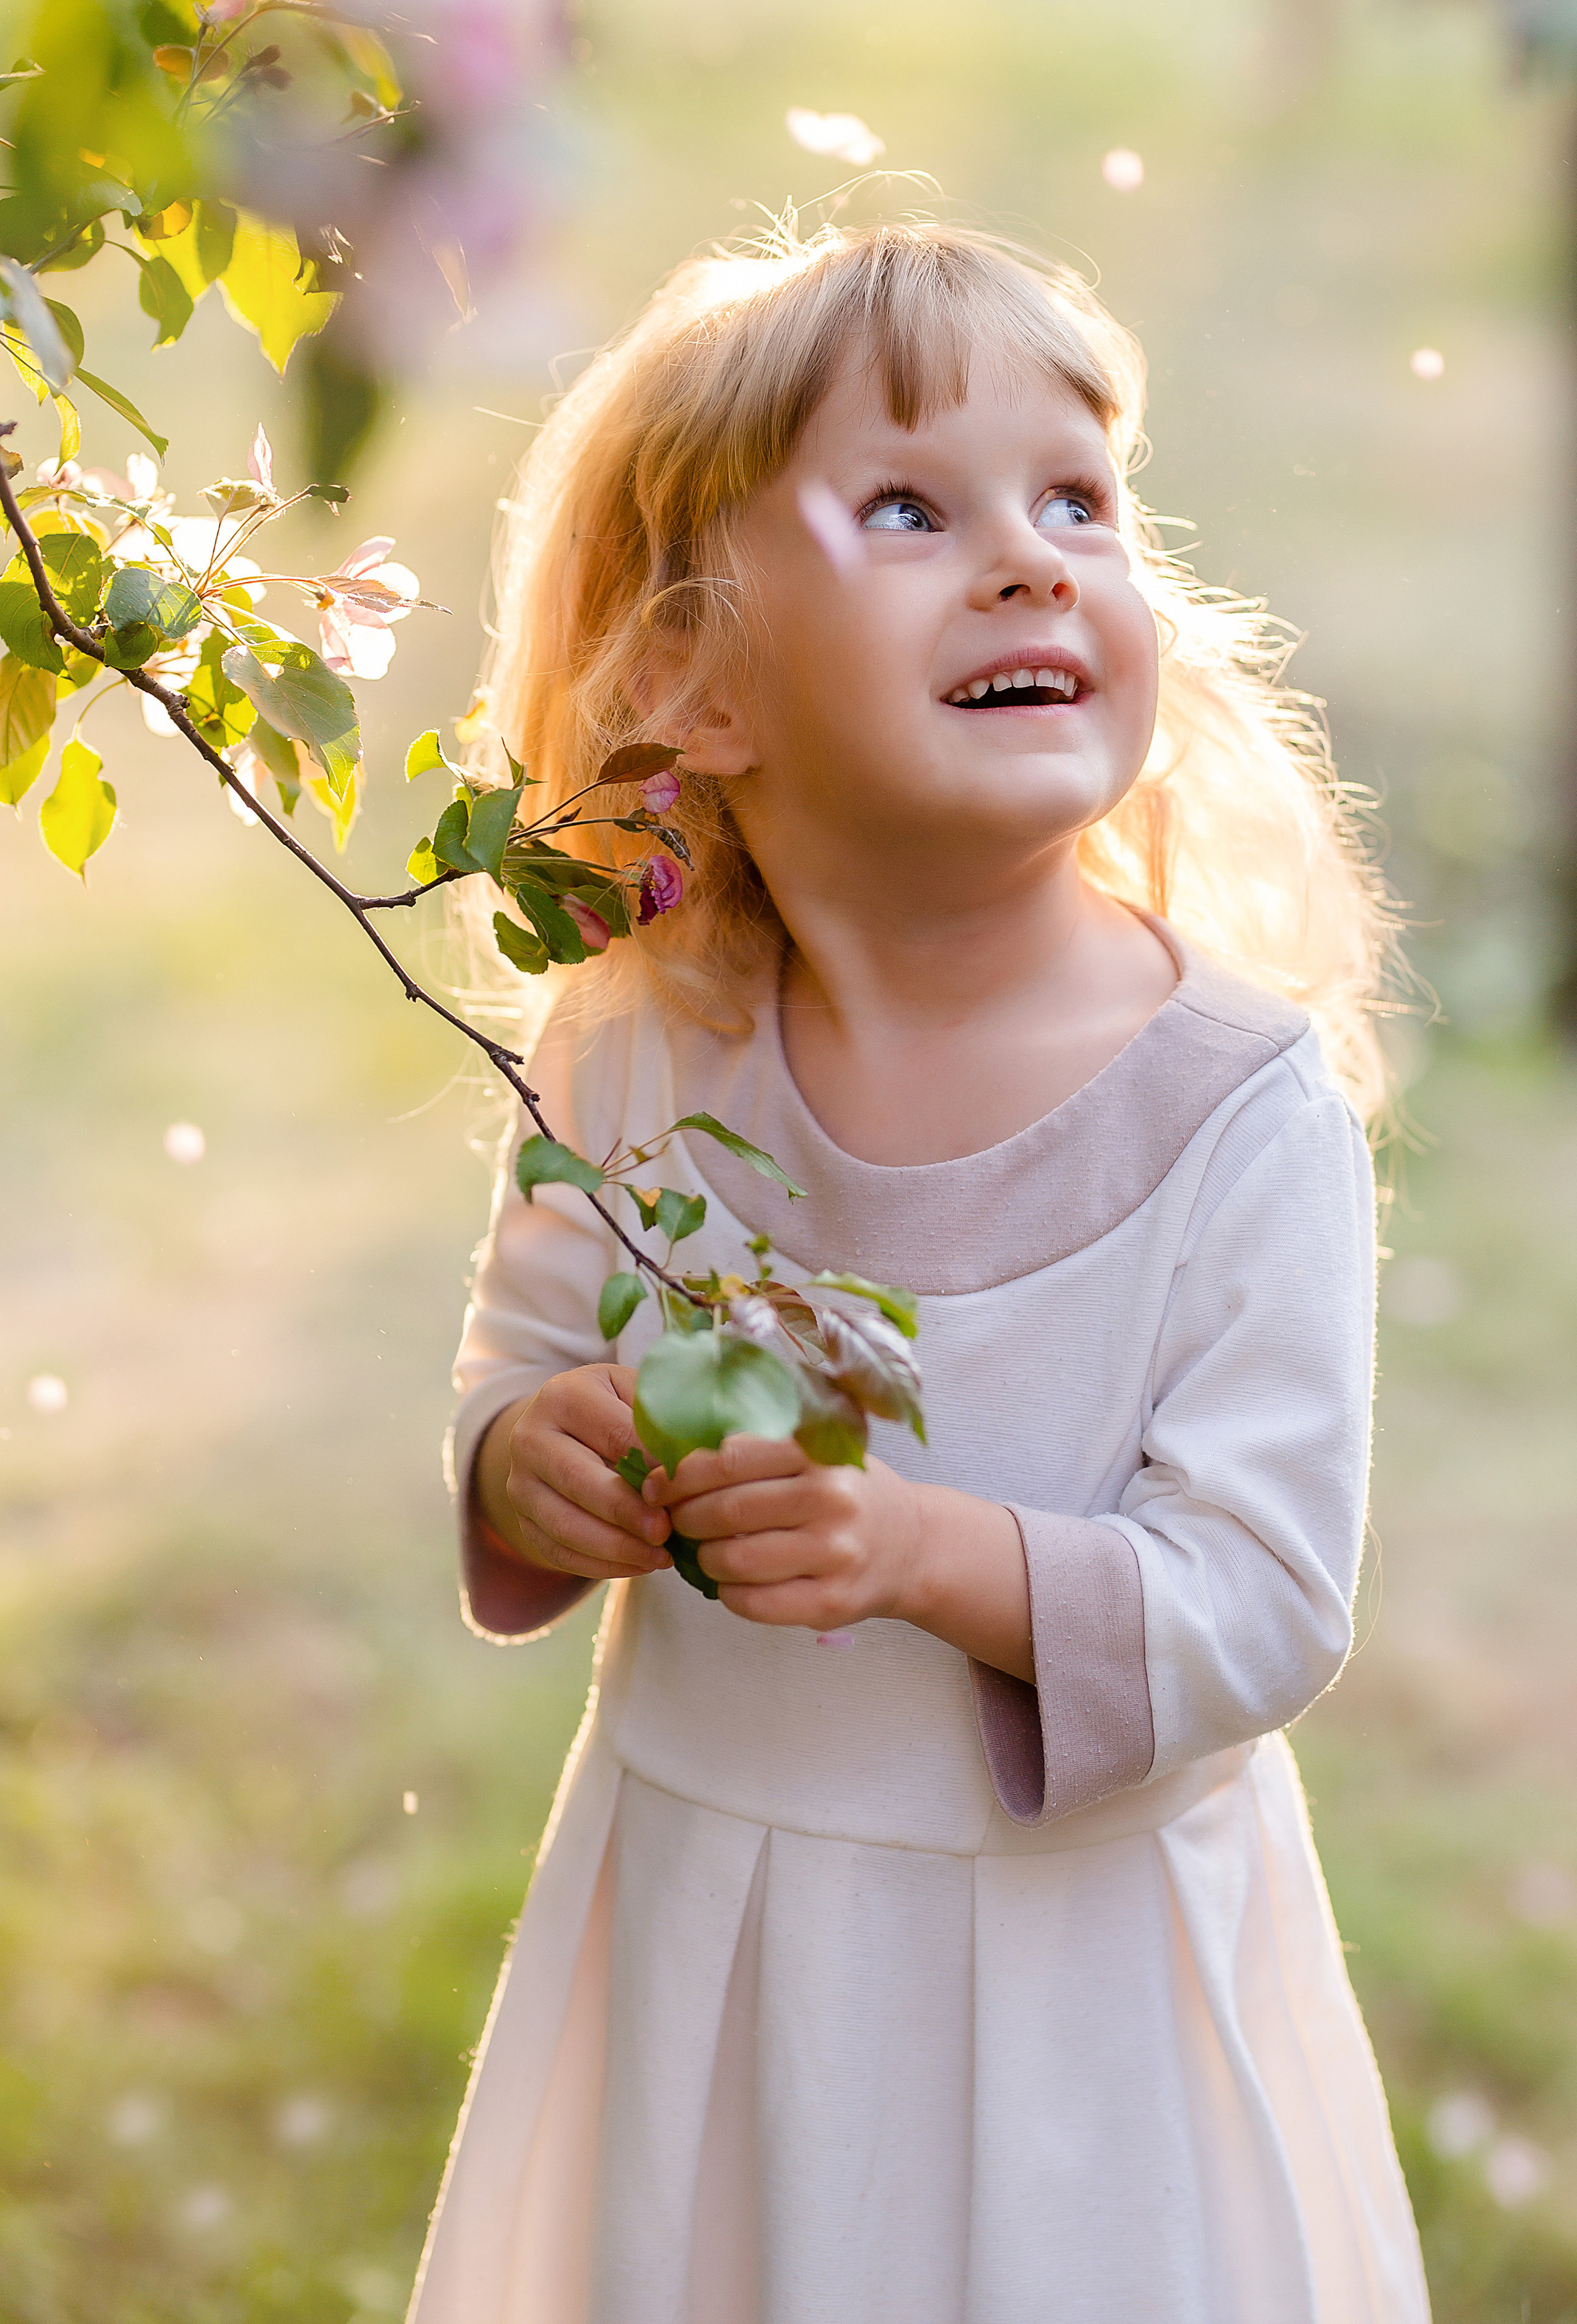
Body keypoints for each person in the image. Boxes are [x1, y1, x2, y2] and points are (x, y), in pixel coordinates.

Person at [408, 219, 1428, 2324]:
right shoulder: (637, 1053)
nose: (1032, 561)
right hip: (716, 1942)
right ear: (691, 679)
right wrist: (536, 1462)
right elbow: (518, 1367)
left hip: (1073, 2010)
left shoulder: (1236, 1112)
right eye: (908, 508)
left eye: (1079, 500)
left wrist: (920, 1552)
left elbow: (1263, 1598)